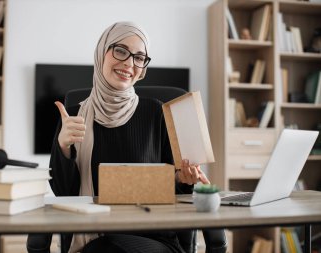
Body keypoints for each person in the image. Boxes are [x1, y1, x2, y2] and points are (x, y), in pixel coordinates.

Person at [27, 21, 227, 253]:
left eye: (139, 57)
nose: (129, 63)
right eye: (121, 51)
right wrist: (63, 146)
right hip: (93, 237)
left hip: (155, 239)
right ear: (102, 53)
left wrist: (183, 179)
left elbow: (177, 195)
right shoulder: (72, 117)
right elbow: (65, 196)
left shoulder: (157, 112)